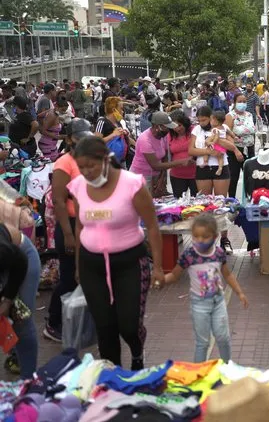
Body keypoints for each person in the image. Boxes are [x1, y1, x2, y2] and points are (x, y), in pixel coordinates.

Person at [68, 137, 164, 369]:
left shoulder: (132, 184)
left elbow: (152, 225)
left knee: (128, 325)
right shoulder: (78, 186)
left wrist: (158, 267)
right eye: (81, 167)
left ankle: (137, 353)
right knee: (104, 326)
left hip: (129, 262)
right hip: (92, 265)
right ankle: (113, 375)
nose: (86, 172)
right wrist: (79, 266)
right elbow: (80, 227)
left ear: (105, 160)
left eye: (91, 165)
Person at [165, 214, 248, 363]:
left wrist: (239, 292)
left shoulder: (218, 254)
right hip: (199, 304)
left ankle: (227, 366)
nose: (200, 240)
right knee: (202, 342)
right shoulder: (189, 255)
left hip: (218, 302)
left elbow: (227, 275)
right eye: (196, 236)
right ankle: (199, 372)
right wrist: (160, 281)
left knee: (223, 337)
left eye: (205, 237)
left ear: (215, 236)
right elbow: (174, 275)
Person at [43, 119, 94, 342]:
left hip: (89, 223)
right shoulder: (64, 162)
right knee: (68, 277)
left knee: (85, 273)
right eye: (79, 138)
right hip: (71, 226)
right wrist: (69, 235)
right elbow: (59, 201)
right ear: (70, 138)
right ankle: (53, 323)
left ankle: (79, 320)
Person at [189, 106, 244, 254]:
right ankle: (206, 239)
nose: (202, 123)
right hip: (203, 168)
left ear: (211, 117)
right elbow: (191, 150)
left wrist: (217, 138)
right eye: (199, 120)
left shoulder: (223, 127)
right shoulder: (196, 130)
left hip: (221, 167)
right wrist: (208, 151)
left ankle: (224, 239)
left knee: (221, 204)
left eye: (205, 120)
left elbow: (231, 146)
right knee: (205, 205)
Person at [0, 222, 40, 379]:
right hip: (6, 260)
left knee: (20, 318)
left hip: (22, 259)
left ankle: (28, 380)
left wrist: (7, 300)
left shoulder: (2, 251)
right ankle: (15, 353)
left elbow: (20, 261)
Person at [130, 111, 190, 190]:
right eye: (167, 127)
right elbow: (156, 166)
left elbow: (164, 157)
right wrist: (181, 162)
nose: (169, 130)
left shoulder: (163, 136)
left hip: (156, 174)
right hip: (141, 175)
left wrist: (162, 177)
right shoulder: (145, 140)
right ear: (157, 126)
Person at [226, 94, 256, 198]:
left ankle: (251, 199)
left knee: (252, 177)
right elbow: (227, 135)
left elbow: (253, 131)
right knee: (233, 177)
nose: (242, 103)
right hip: (236, 150)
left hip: (249, 148)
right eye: (240, 101)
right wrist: (235, 151)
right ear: (234, 102)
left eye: (244, 101)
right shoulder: (230, 116)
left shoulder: (249, 115)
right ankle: (232, 200)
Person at [167, 110, 197, 198]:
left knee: (197, 204)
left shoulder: (194, 131)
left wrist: (193, 158)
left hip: (195, 174)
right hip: (177, 175)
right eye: (174, 126)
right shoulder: (169, 135)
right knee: (178, 204)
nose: (177, 129)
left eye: (179, 125)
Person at [94, 97, 129, 167]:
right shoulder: (102, 122)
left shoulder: (118, 122)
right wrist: (113, 135)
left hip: (121, 160)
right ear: (114, 110)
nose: (123, 111)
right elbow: (96, 142)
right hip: (108, 162)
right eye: (121, 109)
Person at [38, 96, 69, 161]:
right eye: (62, 110)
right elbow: (43, 131)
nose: (63, 112)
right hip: (47, 144)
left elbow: (39, 116)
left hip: (51, 144)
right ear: (57, 107)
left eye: (65, 111)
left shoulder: (53, 112)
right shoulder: (52, 115)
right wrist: (57, 136)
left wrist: (58, 120)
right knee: (50, 164)